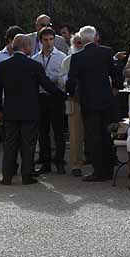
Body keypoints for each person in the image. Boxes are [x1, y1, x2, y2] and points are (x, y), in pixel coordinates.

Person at [0, 34, 65, 185]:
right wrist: (64, 95)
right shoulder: (34, 66)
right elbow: (47, 86)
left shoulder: (2, 66)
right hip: (30, 111)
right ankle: (27, 175)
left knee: (10, 143)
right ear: (26, 47)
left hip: (10, 111)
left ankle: (7, 176)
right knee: (28, 143)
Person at [66, 26, 123, 182]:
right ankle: (109, 169)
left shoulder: (77, 57)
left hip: (88, 101)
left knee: (93, 136)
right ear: (95, 37)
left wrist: (71, 94)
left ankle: (98, 171)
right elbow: (116, 72)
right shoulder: (107, 52)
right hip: (106, 99)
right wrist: (116, 88)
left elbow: (70, 81)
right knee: (106, 134)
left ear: (82, 40)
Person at [31, 27, 67, 174]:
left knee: (58, 131)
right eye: (45, 40)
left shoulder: (62, 57)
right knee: (43, 132)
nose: (48, 43)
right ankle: (45, 163)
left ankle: (59, 162)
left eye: (51, 39)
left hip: (56, 97)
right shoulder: (35, 59)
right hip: (41, 97)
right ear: (40, 41)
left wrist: (53, 80)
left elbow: (64, 76)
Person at [59, 33, 85, 177]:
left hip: (89, 99)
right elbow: (61, 78)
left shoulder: (90, 59)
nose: (78, 45)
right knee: (75, 134)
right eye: (76, 43)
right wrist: (72, 84)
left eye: (81, 42)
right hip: (73, 99)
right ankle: (76, 164)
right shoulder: (68, 60)